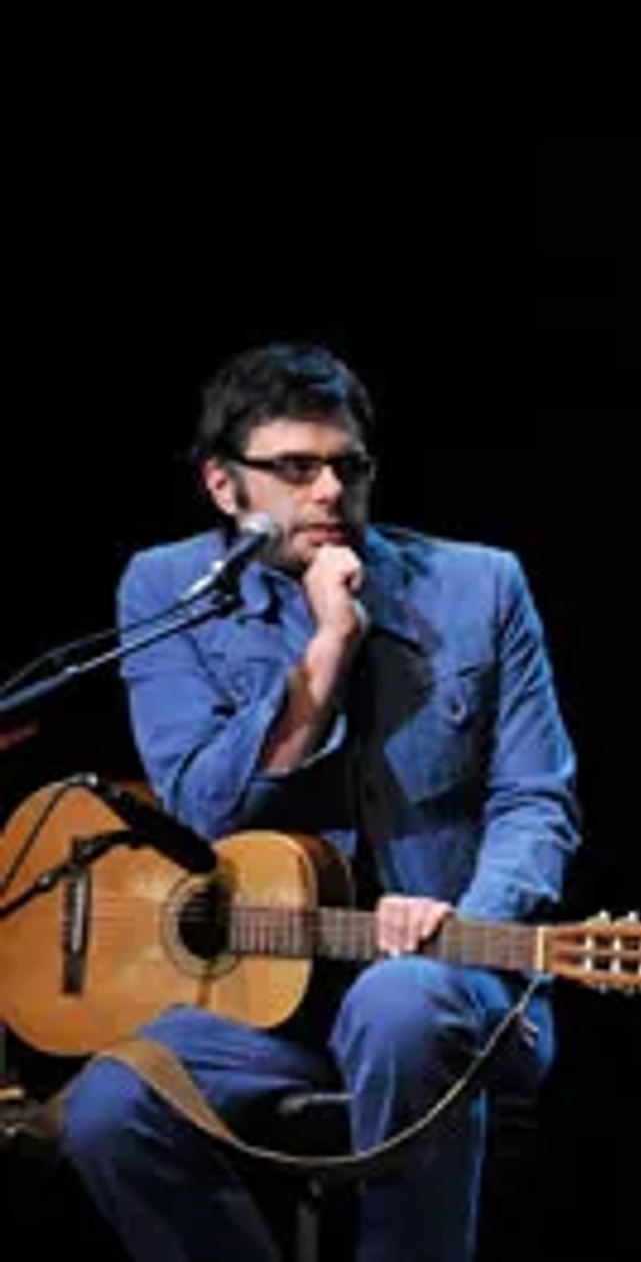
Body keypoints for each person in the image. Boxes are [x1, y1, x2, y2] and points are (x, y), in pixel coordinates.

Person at [55, 340, 584, 1261]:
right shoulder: (166, 589)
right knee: (108, 1107)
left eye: (349, 465)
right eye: (296, 469)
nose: (331, 490)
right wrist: (328, 646)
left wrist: (463, 921)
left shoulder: (481, 586)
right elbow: (204, 807)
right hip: (261, 1007)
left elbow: (536, 799)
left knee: (399, 1004)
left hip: (454, 980)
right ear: (225, 487)